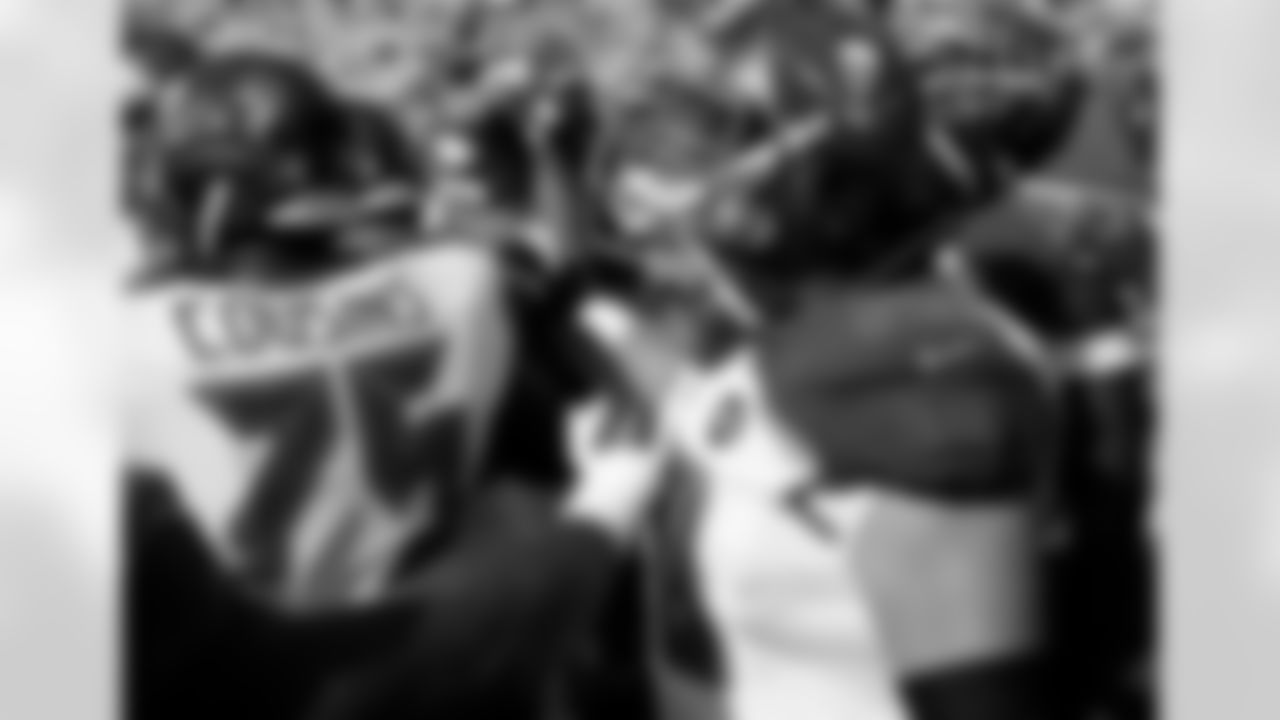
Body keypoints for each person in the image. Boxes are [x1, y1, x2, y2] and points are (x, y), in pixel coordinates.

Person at [121, 50, 668, 720]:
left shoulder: (123, 337)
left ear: (205, 197)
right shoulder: (463, 283)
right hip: (458, 657)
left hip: (259, 683)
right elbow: (561, 450)